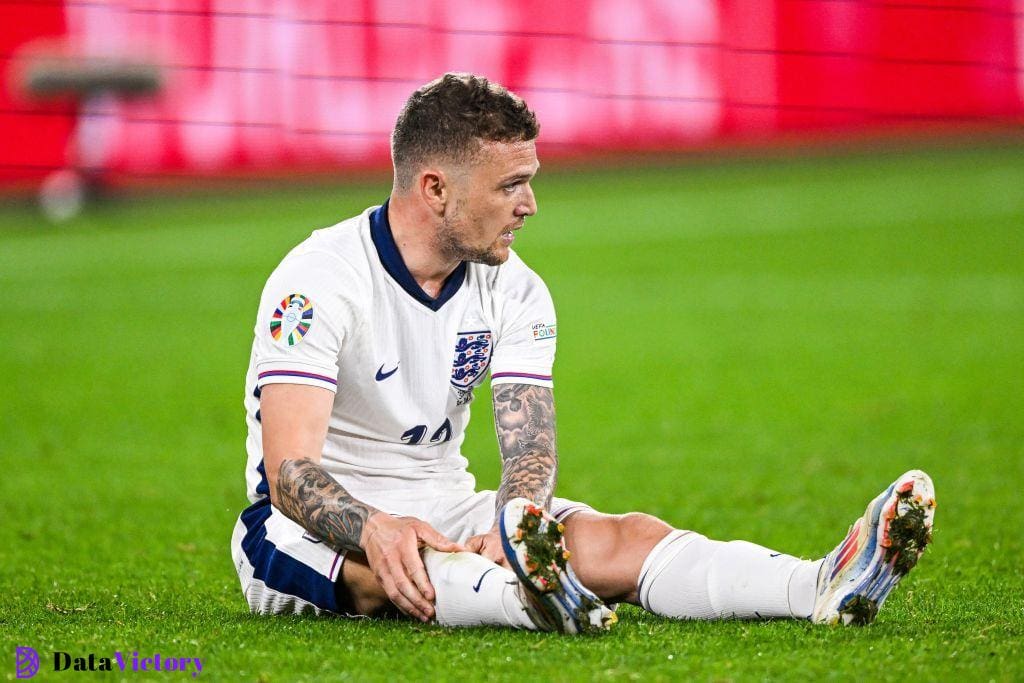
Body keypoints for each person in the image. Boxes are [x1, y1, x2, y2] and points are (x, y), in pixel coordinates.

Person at [230, 73, 936, 631]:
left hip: (445, 501)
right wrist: (376, 528)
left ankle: (817, 583)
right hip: (304, 533)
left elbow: (528, 452)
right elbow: (291, 473)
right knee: (401, 570)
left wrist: (514, 523)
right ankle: (532, 601)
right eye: (511, 184)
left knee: (624, 538)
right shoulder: (317, 279)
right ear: (435, 189)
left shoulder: (518, 290)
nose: (531, 203)